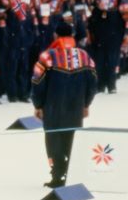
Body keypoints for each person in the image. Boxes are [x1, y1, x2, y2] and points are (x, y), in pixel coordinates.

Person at [31, 22, 97, 188]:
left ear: (55, 36)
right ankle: (70, 172)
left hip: (52, 106)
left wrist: (38, 105)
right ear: (72, 36)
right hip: (76, 106)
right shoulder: (84, 56)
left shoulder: (47, 56)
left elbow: (37, 82)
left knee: (53, 141)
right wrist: (86, 103)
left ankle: (57, 175)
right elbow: (93, 81)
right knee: (72, 139)